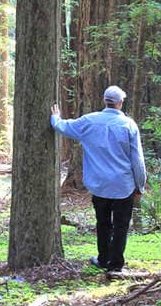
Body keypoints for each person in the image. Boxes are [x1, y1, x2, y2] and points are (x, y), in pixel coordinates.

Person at [50, 85, 146, 272]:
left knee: (103, 224)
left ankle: (103, 259)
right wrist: (140, 185)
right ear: (120, 103)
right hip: (123, 185)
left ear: (104, 101)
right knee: (120, 226)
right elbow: (137, 160)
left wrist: (55, 116)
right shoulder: (129, 125)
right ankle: (116, 266)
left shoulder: (89, 122)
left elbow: (62, 126)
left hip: (99, 185)